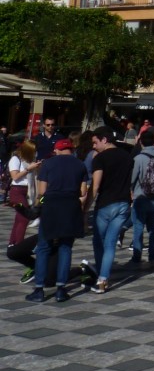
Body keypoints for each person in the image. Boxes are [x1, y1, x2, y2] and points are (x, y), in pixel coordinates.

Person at [25, 138, 89, 302]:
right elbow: (83, 192)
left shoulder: (48, 164)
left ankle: (39, 289)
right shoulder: (80, 165)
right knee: (65, 247)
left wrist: (41, 204)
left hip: (51, 207)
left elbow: (42, 191)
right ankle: (61, 289)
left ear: (57, 150)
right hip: (71, 207)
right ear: (71, 149)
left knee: (43, 248)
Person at [88, 125, 133, 293]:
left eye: (95, 142)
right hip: (123, 204)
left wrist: (86, 209)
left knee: (99, 241)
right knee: (111, 243)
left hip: (106, 204)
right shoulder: (127, 157)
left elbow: (95, 186)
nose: (93, 146)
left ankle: (101, 272)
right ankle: (103, 278)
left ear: (104, 140)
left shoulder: (100, 158)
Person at [129, 129, 154, 265]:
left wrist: (130, 190)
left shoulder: (138, 158)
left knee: (138, 227)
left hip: (140, 196)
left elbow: (132, 178)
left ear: (141, 142)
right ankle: (153, 255)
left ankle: (137, 256)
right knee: (152, 229)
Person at [7, 141, 40, 246]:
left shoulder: (27, 160)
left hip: (27, 191)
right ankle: (19, 244)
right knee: (24, 217)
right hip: (17, 191)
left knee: (19, 218)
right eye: (33, 151)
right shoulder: (15, 159)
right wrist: (28, 169)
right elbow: (15, 176)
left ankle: (13, 242)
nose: (35, 154)